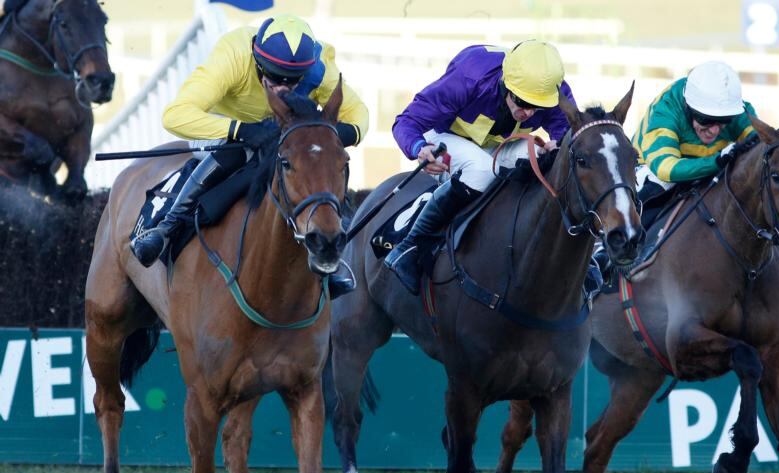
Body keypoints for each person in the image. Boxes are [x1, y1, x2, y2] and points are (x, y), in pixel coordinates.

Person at [131, 14, 368, 298]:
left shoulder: (320, 70)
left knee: (319, 164)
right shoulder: (233, 56)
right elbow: (174, 115)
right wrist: (239, 129)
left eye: (291, 82)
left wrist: (318, 138)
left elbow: (360, 118)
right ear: (257, 60)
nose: (281, 88)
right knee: (237, 156)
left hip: (285, 136)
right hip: (222, 126)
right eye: (273, 77)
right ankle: (167, 228)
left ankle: (331, 254)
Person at [385, 40, 577, 295]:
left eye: (537, 106)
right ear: (506, 84)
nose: (528, 112)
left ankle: (579, 258)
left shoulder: (554, 91)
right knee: (482, 169)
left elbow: (570, 136)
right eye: (521, 101)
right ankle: (410, 246)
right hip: (445, 137)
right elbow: (406, 122)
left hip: (497, 146)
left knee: (542, 156)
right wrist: (419, 148)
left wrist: (558, 145)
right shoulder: (470, 76)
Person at [632, 60, 758, 221]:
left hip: (709, 166)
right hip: (653, 170)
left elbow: (761, 148)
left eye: (724, 120)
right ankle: (616, 244)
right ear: (688, 106)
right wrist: (717, 161)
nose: (715, 130)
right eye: (706, 119)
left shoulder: (735, 109)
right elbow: (665, 168)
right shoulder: (667, 108)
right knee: (659, 184)